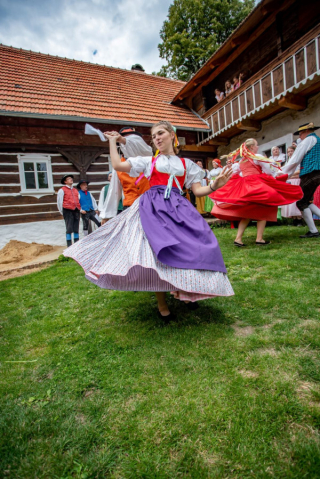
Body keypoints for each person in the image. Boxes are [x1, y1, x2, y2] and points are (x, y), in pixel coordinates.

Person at [64, 120, 234, 321]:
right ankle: (162, 304)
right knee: (155, 254)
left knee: (197, 245)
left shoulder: (186, 164)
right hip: (153, 208)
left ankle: (187, 291)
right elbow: (118, 165)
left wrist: (215, 185)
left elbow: (198, 191)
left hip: (179, 208)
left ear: (172, 135)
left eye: (160, 133)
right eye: (154, 136)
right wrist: (112, 142)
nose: (157, 138)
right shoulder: (148, 161)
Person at [209, 139, 303, 246]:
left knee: (247, 214)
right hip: (257, 185)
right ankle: (259, 239)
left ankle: (238, 238)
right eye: (257, 145)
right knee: (263, 210)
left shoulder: (241, 161)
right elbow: (268, 171)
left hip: (245, 186)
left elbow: (234, 172)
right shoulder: (257, 157)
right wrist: (275, 175)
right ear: (252, 147)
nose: (258, 147)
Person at [99, 127, 151, 223]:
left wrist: (122, 139)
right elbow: (114, 191)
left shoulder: (150, 159)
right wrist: (106, 216)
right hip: (129, 209)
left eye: (133, 139)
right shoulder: (119, 166)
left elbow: (145, 149)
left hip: (151, 207)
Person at [282, 122, 320, 237]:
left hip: (311, 173)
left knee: (301, 201)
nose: (299, 136)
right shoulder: (316, 140)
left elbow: (295, 158)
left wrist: (283, 174)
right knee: (307, 201)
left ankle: (313, 231)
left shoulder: (309, 140)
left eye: (300, 133)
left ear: (306, 131)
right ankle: (313, 231)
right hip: (314, 173)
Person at [280, 146, 303, 226]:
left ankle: (299, 218)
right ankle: (294, 219)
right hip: (290, 181)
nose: (290, 153)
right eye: (288, 151)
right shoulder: (288, 162)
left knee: (296, 200)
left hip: (296, 181)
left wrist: (290, 175)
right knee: (291, 201)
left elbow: (299, 171)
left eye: (291, 151)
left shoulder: (298, 160)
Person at [57, 175, 81, 247]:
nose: (71, 180)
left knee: (76, 227)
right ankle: (69, 245)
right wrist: (62, 211)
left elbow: (78, 199)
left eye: (71, 178)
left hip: (76, 210)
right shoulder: (62, 190)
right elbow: (59, 201)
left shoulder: (75, 190)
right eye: (69, 179)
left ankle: (76, 244)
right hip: (67, 210)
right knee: (69, 227)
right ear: (65, 181)